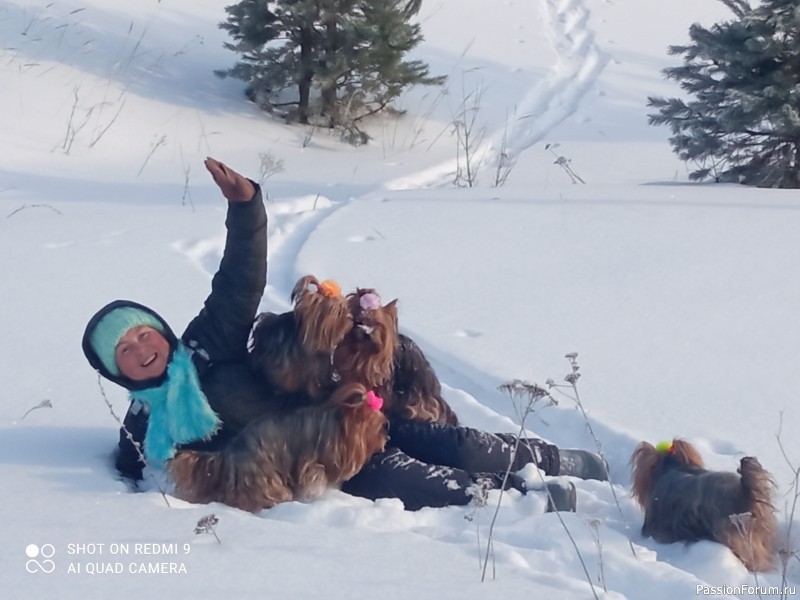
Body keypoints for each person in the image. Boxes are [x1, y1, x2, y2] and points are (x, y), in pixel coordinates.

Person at [82, 158, 606, 512]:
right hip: (313, 461)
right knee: (417, 483)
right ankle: (528, 496)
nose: (140, 348)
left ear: (161, 332)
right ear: (115, 372)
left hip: (343, 412)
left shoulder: (206, 341)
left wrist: (246, 209)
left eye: (141, 334)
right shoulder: (141, 424)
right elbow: (128, 478)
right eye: (123, 351)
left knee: (451, 441)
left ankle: (562, 461)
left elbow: (240, 280)